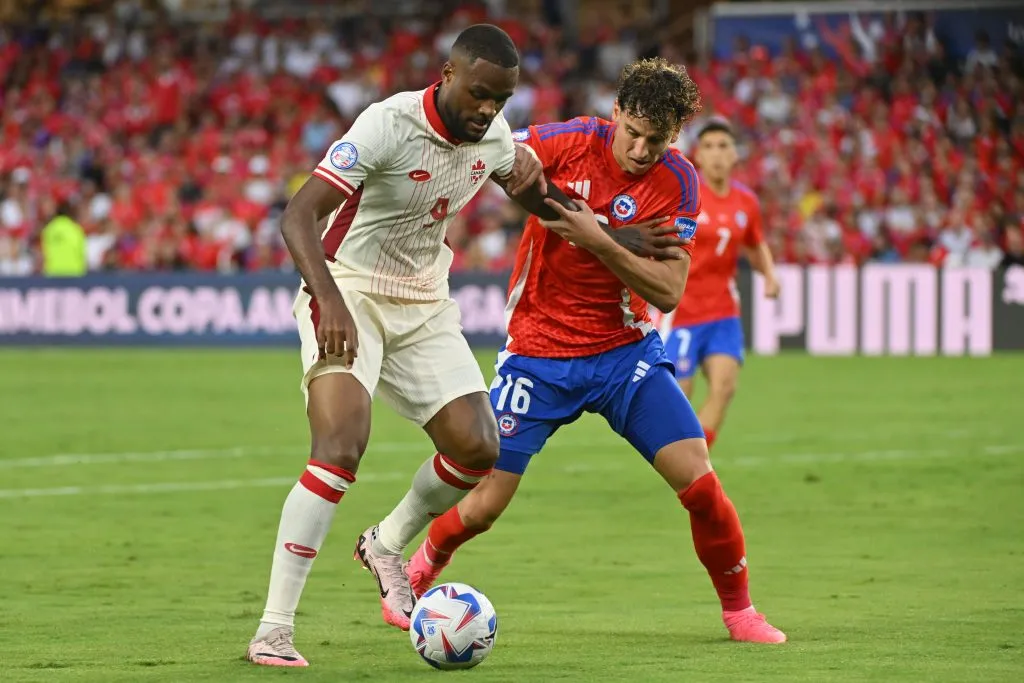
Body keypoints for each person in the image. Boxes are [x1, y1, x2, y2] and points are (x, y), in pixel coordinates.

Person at [245, 25, 682, 668]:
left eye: (500, 101)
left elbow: (536, 193)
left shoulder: (496, 137)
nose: (487, 110)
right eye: (479, 95)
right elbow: (297, 217)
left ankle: (387, 544)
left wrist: (623, 239)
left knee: (478, 448)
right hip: (350, 291)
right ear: (448, 76)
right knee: (340, 447)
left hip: (424, 301)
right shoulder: (385, 124)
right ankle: (274, 629)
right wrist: (329, 300)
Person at [382, 59, 787, 644]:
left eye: (658, 140)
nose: (643, 150)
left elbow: (669, 289)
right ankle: (424, 562)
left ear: (674, 137)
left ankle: (740, 611)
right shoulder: (568, 140)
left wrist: (596, 240)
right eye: (634, 133)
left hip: (625, 356)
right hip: (537, 354)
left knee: (700, 483)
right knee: (485, 504)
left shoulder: (679, 181)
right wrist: (604, 228)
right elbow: (502, 164)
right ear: (615, 113)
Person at [659, 119, 779, 449]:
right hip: (681, 311)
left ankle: (696, 457)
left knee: (724, 387)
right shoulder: (685, 194)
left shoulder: (746, 202)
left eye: (723, 146)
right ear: (697, 155)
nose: (716, 154)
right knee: (678, 395)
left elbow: (755, 244)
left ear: (734, 155)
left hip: (723, 311)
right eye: (708, 146)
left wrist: (768, 275)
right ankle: (679, 452)